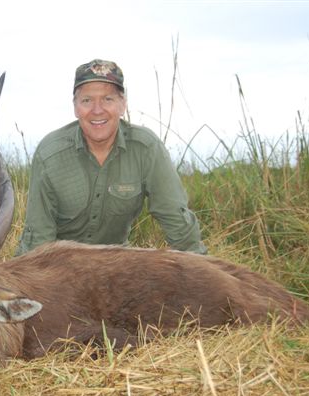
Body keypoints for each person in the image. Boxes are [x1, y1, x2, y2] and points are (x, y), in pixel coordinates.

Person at [16, 59, 207, 255]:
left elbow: (177, 221)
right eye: (87, 100)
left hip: (115, 268)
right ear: (75, 107)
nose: (97, 110)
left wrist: (201, 270)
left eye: (108, 99)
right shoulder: (50, 154)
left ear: (122, 105)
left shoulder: (146, 148)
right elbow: (38, 241)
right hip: (58, 267)